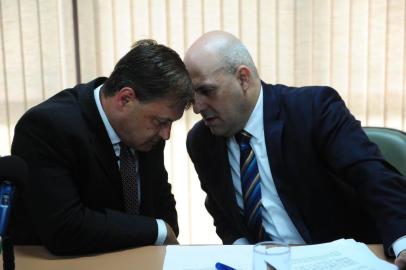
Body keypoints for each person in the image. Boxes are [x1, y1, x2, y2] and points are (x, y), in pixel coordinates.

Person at [184, 31, 406, 267]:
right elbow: (223, 216)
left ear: (243, 79)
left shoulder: (313, 109)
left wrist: (403, 241)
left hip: (331, 259)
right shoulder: (201, 141)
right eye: (192, 96)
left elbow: (372, 175)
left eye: (207, 91)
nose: (197, 107)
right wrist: (242, 254)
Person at [11, 39, 193, 255]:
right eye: (161, 122)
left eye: (170, 123)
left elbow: (164, 209)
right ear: (125, 99)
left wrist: (160, 229)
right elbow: (65, 228)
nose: (166, 134)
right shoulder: (47, 127)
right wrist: (157, 230)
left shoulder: (147, 133)